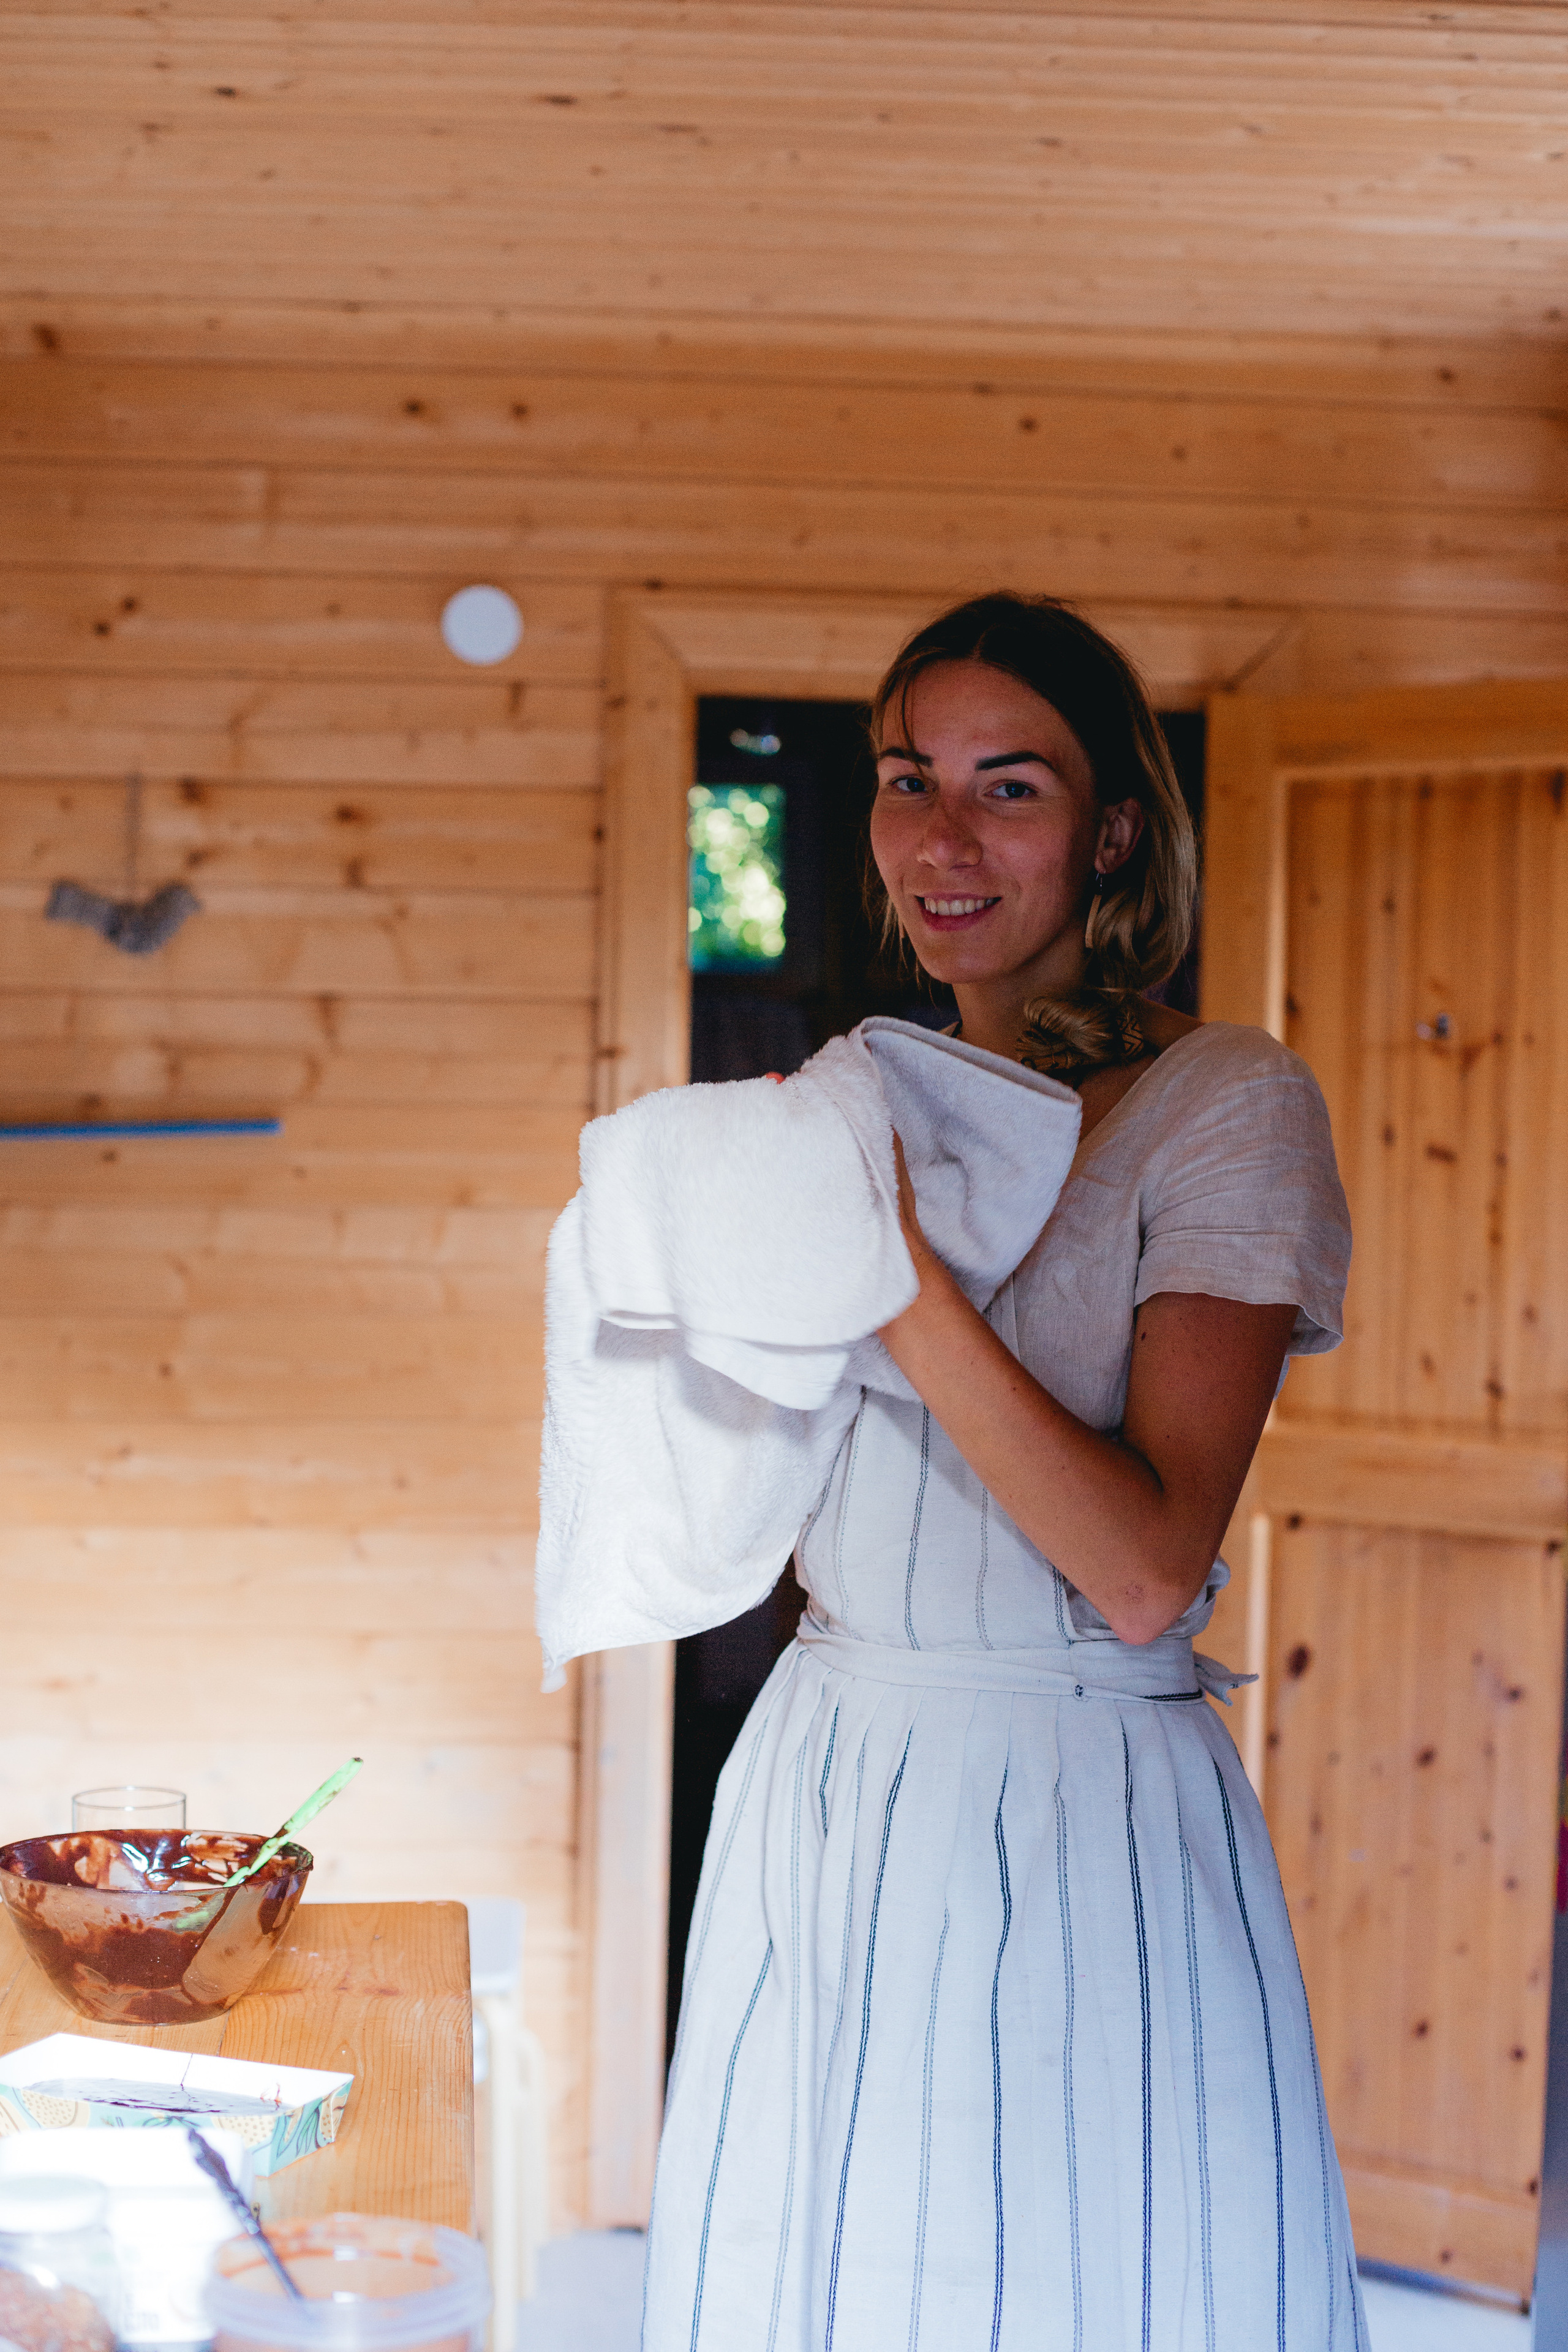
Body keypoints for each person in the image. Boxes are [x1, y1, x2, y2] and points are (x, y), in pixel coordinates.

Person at [641, 594, 1360, 2351]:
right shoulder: (855, 1092)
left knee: (1064, 2277)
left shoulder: (1224, 1101)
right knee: (817, 2265)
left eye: (1008, 786)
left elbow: (1139, 1574)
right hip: (825, 1771)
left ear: (1114, 828)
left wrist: (889, 1265)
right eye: (907, 780)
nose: (942, 839)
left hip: (1070, 1796)